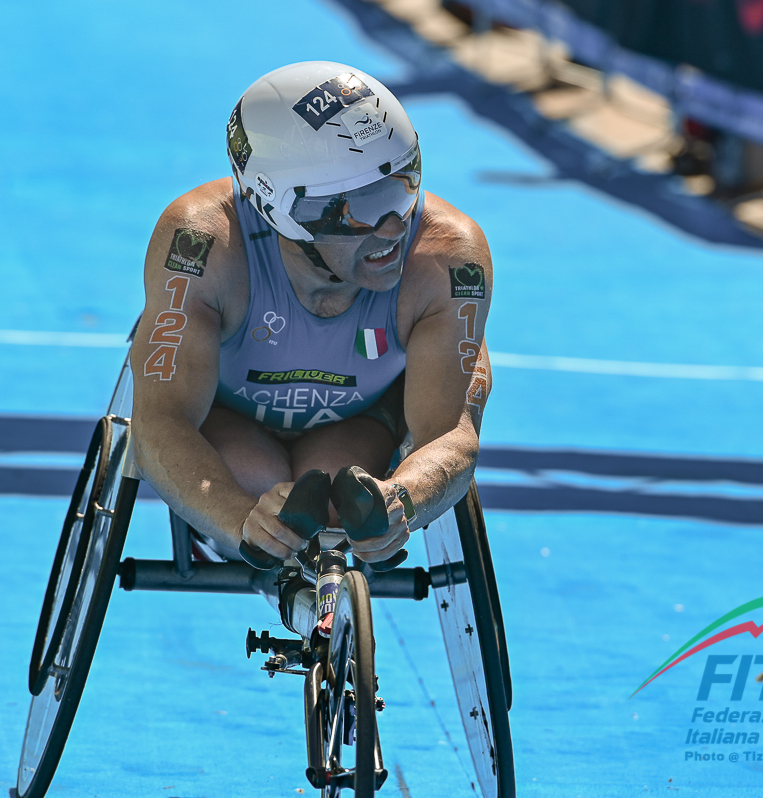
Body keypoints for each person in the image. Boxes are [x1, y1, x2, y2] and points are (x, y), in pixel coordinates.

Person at [131, 61, 492, 567]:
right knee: (258, 483)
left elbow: (451, 434)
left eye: (405, 185)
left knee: (333, 498)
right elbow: (159, 423)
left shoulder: (448, 255)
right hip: (226, 419)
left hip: (358, 426)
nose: (393, 229)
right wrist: (239, 518)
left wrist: (401, 498)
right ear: (278, 210)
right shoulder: (200, 242)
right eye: (361, 208)